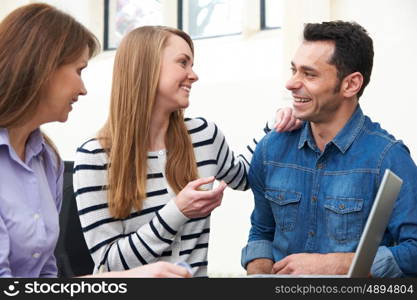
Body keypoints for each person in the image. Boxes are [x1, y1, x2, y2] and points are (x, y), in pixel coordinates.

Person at [73, 26, 301, 277]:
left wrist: (276, 126)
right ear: (146, 67)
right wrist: (178, 211)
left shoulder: (204, 135)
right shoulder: (94, 157)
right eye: (183, 63)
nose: (194, 75)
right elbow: (110, 264)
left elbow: (245, 176)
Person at [0, 3, 190, 278]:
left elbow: (46, 278)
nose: (83, 88)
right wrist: (125, 279)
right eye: (79, 70)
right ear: (43, 67)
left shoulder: (46, 159)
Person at [241, 21, 417, 277]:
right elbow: (262, 233)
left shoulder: (388, 158)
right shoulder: (271, 149)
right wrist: (259, 277)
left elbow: (413, 250)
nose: (291, 83)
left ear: (350, 84)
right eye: (294, 70)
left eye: (309, 74)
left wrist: (334, 264)